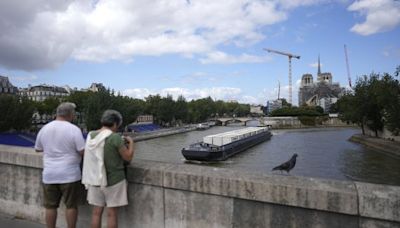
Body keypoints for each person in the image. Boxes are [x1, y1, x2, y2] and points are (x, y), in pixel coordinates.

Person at [35, 102, 85, 228]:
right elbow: (82, 151)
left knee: (50, 207)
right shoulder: (74, 129)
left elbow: (38, 148)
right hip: (70, 174)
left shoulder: (44, 129)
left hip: (50, 173)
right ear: (71, 114)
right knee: (71, 206)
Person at [82, 110, 134, 228]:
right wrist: (131, 143)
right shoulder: (115, 138)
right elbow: (128, 157)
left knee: (96, 213)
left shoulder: (91, 136)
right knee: (111, 214)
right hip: (114, 180)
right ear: (115, 124)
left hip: (95, 179)